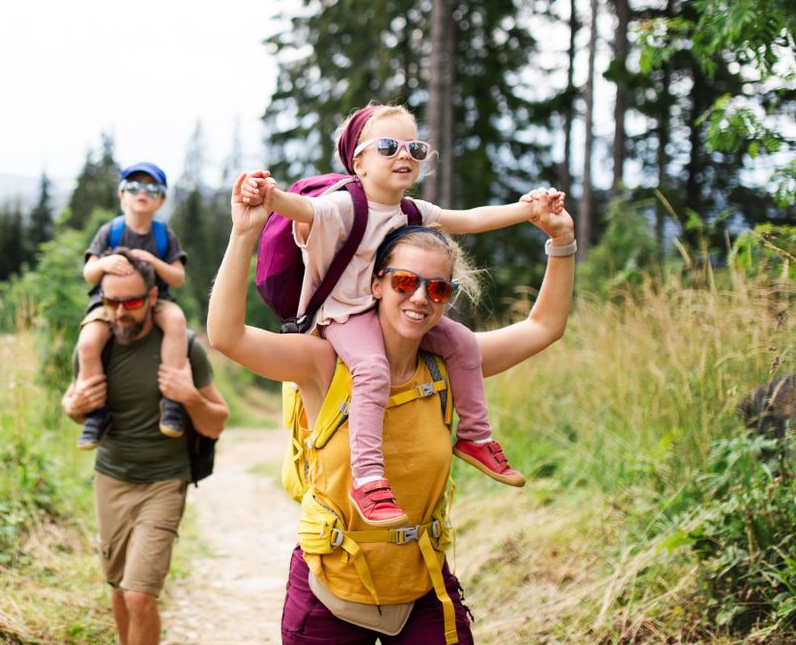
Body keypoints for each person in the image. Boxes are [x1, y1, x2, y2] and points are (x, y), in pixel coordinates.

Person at [208, 171, 575, 645]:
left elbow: (544, 326)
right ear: (375, 285)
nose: (420, 298)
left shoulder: (450, 365)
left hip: (424, 588)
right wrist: (243, 233)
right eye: (404, 282)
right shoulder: (324, 362)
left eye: (439, 289)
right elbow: (226, 336)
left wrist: (562, 241)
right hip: (329, 592)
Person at [237, 103, 566, 528]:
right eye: (389, 146)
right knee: (372, 369)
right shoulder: (342, 206)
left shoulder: (411, 212)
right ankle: (369, 478)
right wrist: (267, 196)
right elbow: (301, 209)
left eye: (415, 147)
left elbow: (465, 220)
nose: (404, 155)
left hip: (384, 312)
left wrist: (528, 211)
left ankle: (474, 437)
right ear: (359, 161)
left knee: (463, 342)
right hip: (343, 318)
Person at [62, 249, 229, 645]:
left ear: (153, 297)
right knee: (119, 590)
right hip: (111, 479)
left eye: (132, 301)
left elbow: (216, 421)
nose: (120, 312)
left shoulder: (185, 348)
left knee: (139, 594)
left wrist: (188, 397)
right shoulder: (95, 346)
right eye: (111, 302)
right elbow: (74, 407)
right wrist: (72, 406)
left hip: (164, 483)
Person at [75, 161, 192, 450]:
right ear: (121, 195)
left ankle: (172, 401)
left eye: (152, 189)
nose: (142, 193)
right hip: (111, 302)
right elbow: (89, 273)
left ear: (162, 199)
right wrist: (103, 262)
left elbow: (178, 277)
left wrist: (153, 262)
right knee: (88, 343)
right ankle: (96, 412)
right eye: (133, 187)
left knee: (176, 323)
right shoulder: (110, 232)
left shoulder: (164, 235)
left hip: (156, 300)